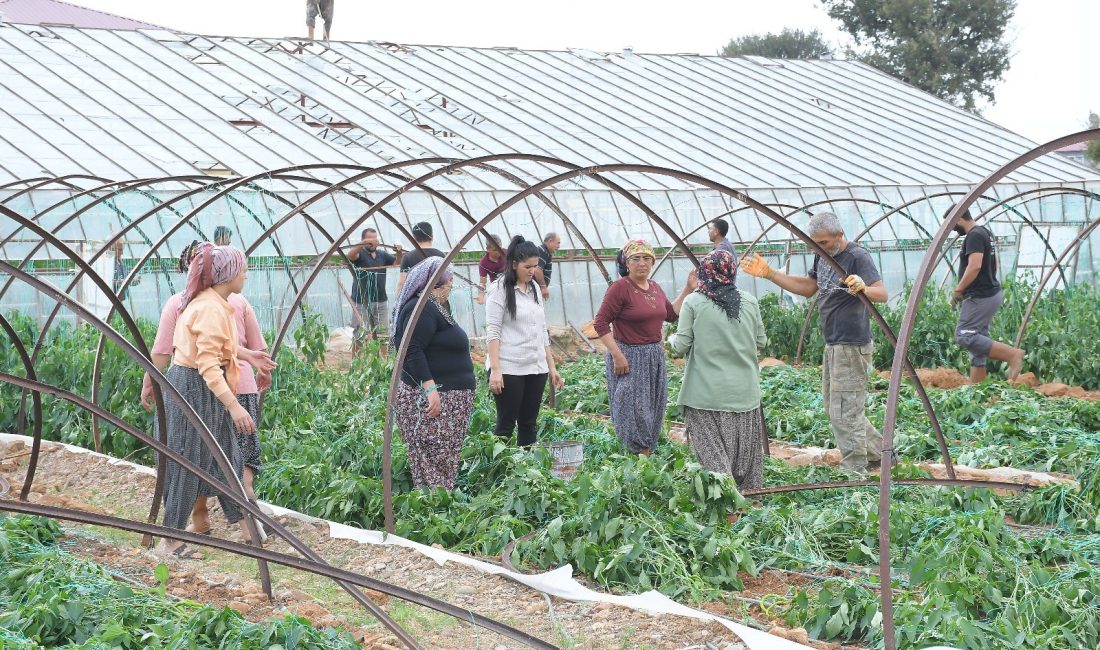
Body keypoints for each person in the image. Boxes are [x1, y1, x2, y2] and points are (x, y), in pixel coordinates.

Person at [143, 241, 276, 536]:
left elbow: (216, 346)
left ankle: (250, 531)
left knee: (229, 459)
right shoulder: (208, 308)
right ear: (228, 274)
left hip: (205, 388)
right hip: (194, 388)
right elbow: (206, 363)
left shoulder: (216, 304)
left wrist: (247, 355)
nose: (246, 275)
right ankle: (171, 539)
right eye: (243, 269)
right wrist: (234, 405)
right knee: (188, 462)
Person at [740, 212, 887, 473]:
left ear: (839, 235)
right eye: (814, 244)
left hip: (852, 344)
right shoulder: (822, 255)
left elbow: (882, 293)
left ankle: (854, 469)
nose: (818, 249)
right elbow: (809, 288)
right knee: (837, 407)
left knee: (845, 410)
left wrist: (863, 287)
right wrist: (770, 274)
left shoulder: (856, 256)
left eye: (824, 243)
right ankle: (882, 454)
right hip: (834, 343)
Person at [669, 250, 767, 490]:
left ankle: (727, 512)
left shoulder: (694, 301)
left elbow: (680, 346)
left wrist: (670, 339)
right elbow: (761, 342)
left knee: (714, 460)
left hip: (706, 395)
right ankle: (750, 510)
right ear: (731, 272)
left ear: (705, 272)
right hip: (745, 395)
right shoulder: (750, 301)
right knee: (745, 458)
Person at [592, 240, 695, 455]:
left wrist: (688, 288)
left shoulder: (655, 287)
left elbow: (671, 315)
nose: (642, 263)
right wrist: (617, 355)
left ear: (652, 262)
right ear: (626, 263)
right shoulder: (619, 289)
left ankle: (645, 457)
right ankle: (634, 457)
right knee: (631, 409)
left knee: (652, 408)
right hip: (629, 356)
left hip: (653, 356)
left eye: (647, 258)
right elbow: (600, 322)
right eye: (635, 259)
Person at [391, 257, 475, 489]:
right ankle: (434, 506)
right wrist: (431, 389)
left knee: (442, 458)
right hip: (435, 399)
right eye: (448, 280)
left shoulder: (433, 307)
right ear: (435, 283)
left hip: (448, 399)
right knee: (432, 456)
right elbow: (412, 350)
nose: (450, 285)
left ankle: (439, 503)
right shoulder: (423, 308)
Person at [485, 236, 564, 447]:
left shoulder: (535, 288)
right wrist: (495, 369)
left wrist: (551, 367)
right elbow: (493, 331)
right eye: (527, 266)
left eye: (535, 266)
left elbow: (542, 330)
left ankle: (526, 475)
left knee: (529, 424)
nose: (532, 271)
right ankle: (499, 473)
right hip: (509, 366)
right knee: (506, 424)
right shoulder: (499, 289)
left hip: (535, 366)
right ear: (513, 264)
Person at [950, 206, 1025, 383]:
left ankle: (1012, 355)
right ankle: (978, 391)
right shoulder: (984, 232)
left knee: (965, 335)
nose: (953, 230)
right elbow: (992, 264)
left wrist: (958, 290)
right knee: (978, 349)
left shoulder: (974, 235)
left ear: (960, 218)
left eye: (953, 225)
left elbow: (975, 265)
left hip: (979, 296)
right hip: (988, 293)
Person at [348, 228, 403, 356]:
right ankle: (356, 364)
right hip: (362, 301)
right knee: (359, 334)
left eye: (375, 239)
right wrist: (363, 243)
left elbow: (397, 263)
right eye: (370, 240)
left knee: (383, 334)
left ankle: (383, 364)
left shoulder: (382, 255)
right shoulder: (359, 254)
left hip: (380, 300)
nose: (373, 243)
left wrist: (399, 252)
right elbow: (350, 255)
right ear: (363, 240)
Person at [397, 222, 444, 295]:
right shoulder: (441, 255)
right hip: (437, 300)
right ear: (431, 236)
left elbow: (401, 283)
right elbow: (447, 281)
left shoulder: (408, 257)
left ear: (414, 237)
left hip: (414, 302)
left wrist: (398, 303)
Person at [476, 235, 506, 304]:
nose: (499, 251)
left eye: (500, 248)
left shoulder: (508, 254)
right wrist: (481, 295)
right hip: (497, 290)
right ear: (488, 249)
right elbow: (482, 282)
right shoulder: (483, 263)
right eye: (495, 250)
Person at [534, 232, 560, 301]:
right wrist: (543, 287)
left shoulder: (546, 252)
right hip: (535, 289)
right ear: (550, 241)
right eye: (558, 243)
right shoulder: (543, 251)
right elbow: (537, 270)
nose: (559, 246)